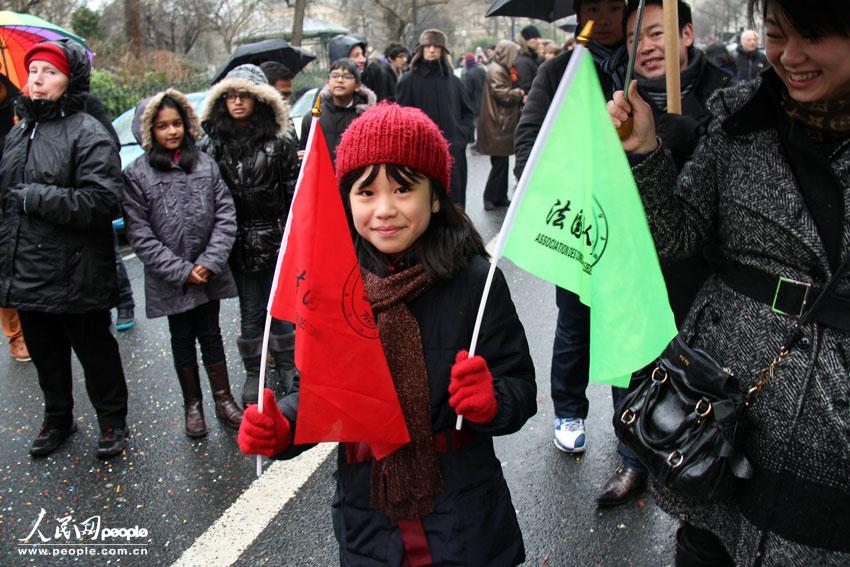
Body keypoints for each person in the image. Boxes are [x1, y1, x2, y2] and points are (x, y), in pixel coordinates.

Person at [238, 102, 536, 566]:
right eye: (366, 192)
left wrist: (491, 401)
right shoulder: (333, 285)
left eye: (402, 188)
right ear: (346, 200)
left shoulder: (474, 280)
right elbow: (318, 396)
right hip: (369, 517)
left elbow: (520, 387)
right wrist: (283, 429)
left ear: (435, 196)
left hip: (463, 512)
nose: (384, 210)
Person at [607, 0, 850, 564]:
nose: (790, 57)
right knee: (707, 542)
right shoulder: (737, 116)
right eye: (776, 35)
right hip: (722, 395)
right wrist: (645, 153)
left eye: (809, 37)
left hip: (833, 418)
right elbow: (679, 236)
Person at [591, 0, 735, 509]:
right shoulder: (610, 99)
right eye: (634, 38)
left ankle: (702, 466)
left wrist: (677, 143)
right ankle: (633, 460)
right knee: (632, 369)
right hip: (631, 267)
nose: (645, 48)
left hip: (700, 278)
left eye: (657, 34)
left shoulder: (730, 98)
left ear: (688, 34)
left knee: (695, 378)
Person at [514, 0, 626, 492]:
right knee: (575, 321)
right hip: (577, 218)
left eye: (613, 6)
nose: (603, 15)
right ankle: (569, 411)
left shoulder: (644, 61)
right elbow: (530, 138)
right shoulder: (559, 68)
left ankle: (633, 421)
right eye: (592, 5)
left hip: (632, 217)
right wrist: (545, 190)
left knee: (628, 323)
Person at [0, 39, 129, 458]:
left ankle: (112, 421)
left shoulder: (88, 131)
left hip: (76, 271)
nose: (37, 79)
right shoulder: (18, 132)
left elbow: (102, 201)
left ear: (69, 80)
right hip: (27, 271)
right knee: (45, 356)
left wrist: (34, 197)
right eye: (33, 70)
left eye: (49, 72)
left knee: (95, 353)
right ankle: (58, 419)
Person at [123, 89, 243, 438]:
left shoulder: (205, 164)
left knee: (211, 333)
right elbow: (140, 234)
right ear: (149, 132)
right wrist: (181, 270)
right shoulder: (137, 174)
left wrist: (210, 261)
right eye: (162, 126)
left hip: (208, 271)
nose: (172, 131)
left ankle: (223, 399)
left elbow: (225, 215)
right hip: (171, 278)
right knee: (181, 338)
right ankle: (193, 404)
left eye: (177, 123)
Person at [198, 65, 301, 406]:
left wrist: (291, 235)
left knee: (283, 306)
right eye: (231, 96)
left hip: (275, 234)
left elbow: (292, 191)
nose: (237, 102)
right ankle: (254, 371)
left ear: (259, 99)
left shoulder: (279, 140)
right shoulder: (213, 143)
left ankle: (288, 366)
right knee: (251, 308)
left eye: (244, 96)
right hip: (237, 239)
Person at [397, 29, 475, 208]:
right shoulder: (409, 81)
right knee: (426, 203)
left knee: (454, 202)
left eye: (437, 46)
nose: (432, 50)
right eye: (428, 46)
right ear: (421, 49)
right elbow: (401, 117)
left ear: (443, 51)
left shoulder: (453, 81)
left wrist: (461, 136)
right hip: (421, 153)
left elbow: (467, 112)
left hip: (453, 151)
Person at [300, 58, 377, 166]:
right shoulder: (313, 118)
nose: (340, 80)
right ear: (328, 82)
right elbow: (302, 152)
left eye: (347, 76)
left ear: (358, 86)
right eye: (335, 76)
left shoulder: (367, 118)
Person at [478, 40, 524, 212]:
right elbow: (502, 95)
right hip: (498, 124)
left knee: (502, 163)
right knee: (499, 164)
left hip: (499, 123)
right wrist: (518, 93)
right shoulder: (496, 70)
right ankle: (489, 197)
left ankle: (500, 196)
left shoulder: (498, 68)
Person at [461, 52, 487, 136]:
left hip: (475, 104)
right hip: (486, 102)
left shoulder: (468, 74)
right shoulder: (482, 70)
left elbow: (467, 92)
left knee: (477, 127)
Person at [515, 25, 543, 94]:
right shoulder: (523, 62)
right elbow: (526, 86)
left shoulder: (534, 58)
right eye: (535, 38)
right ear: (526, 40)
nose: (538, 41)